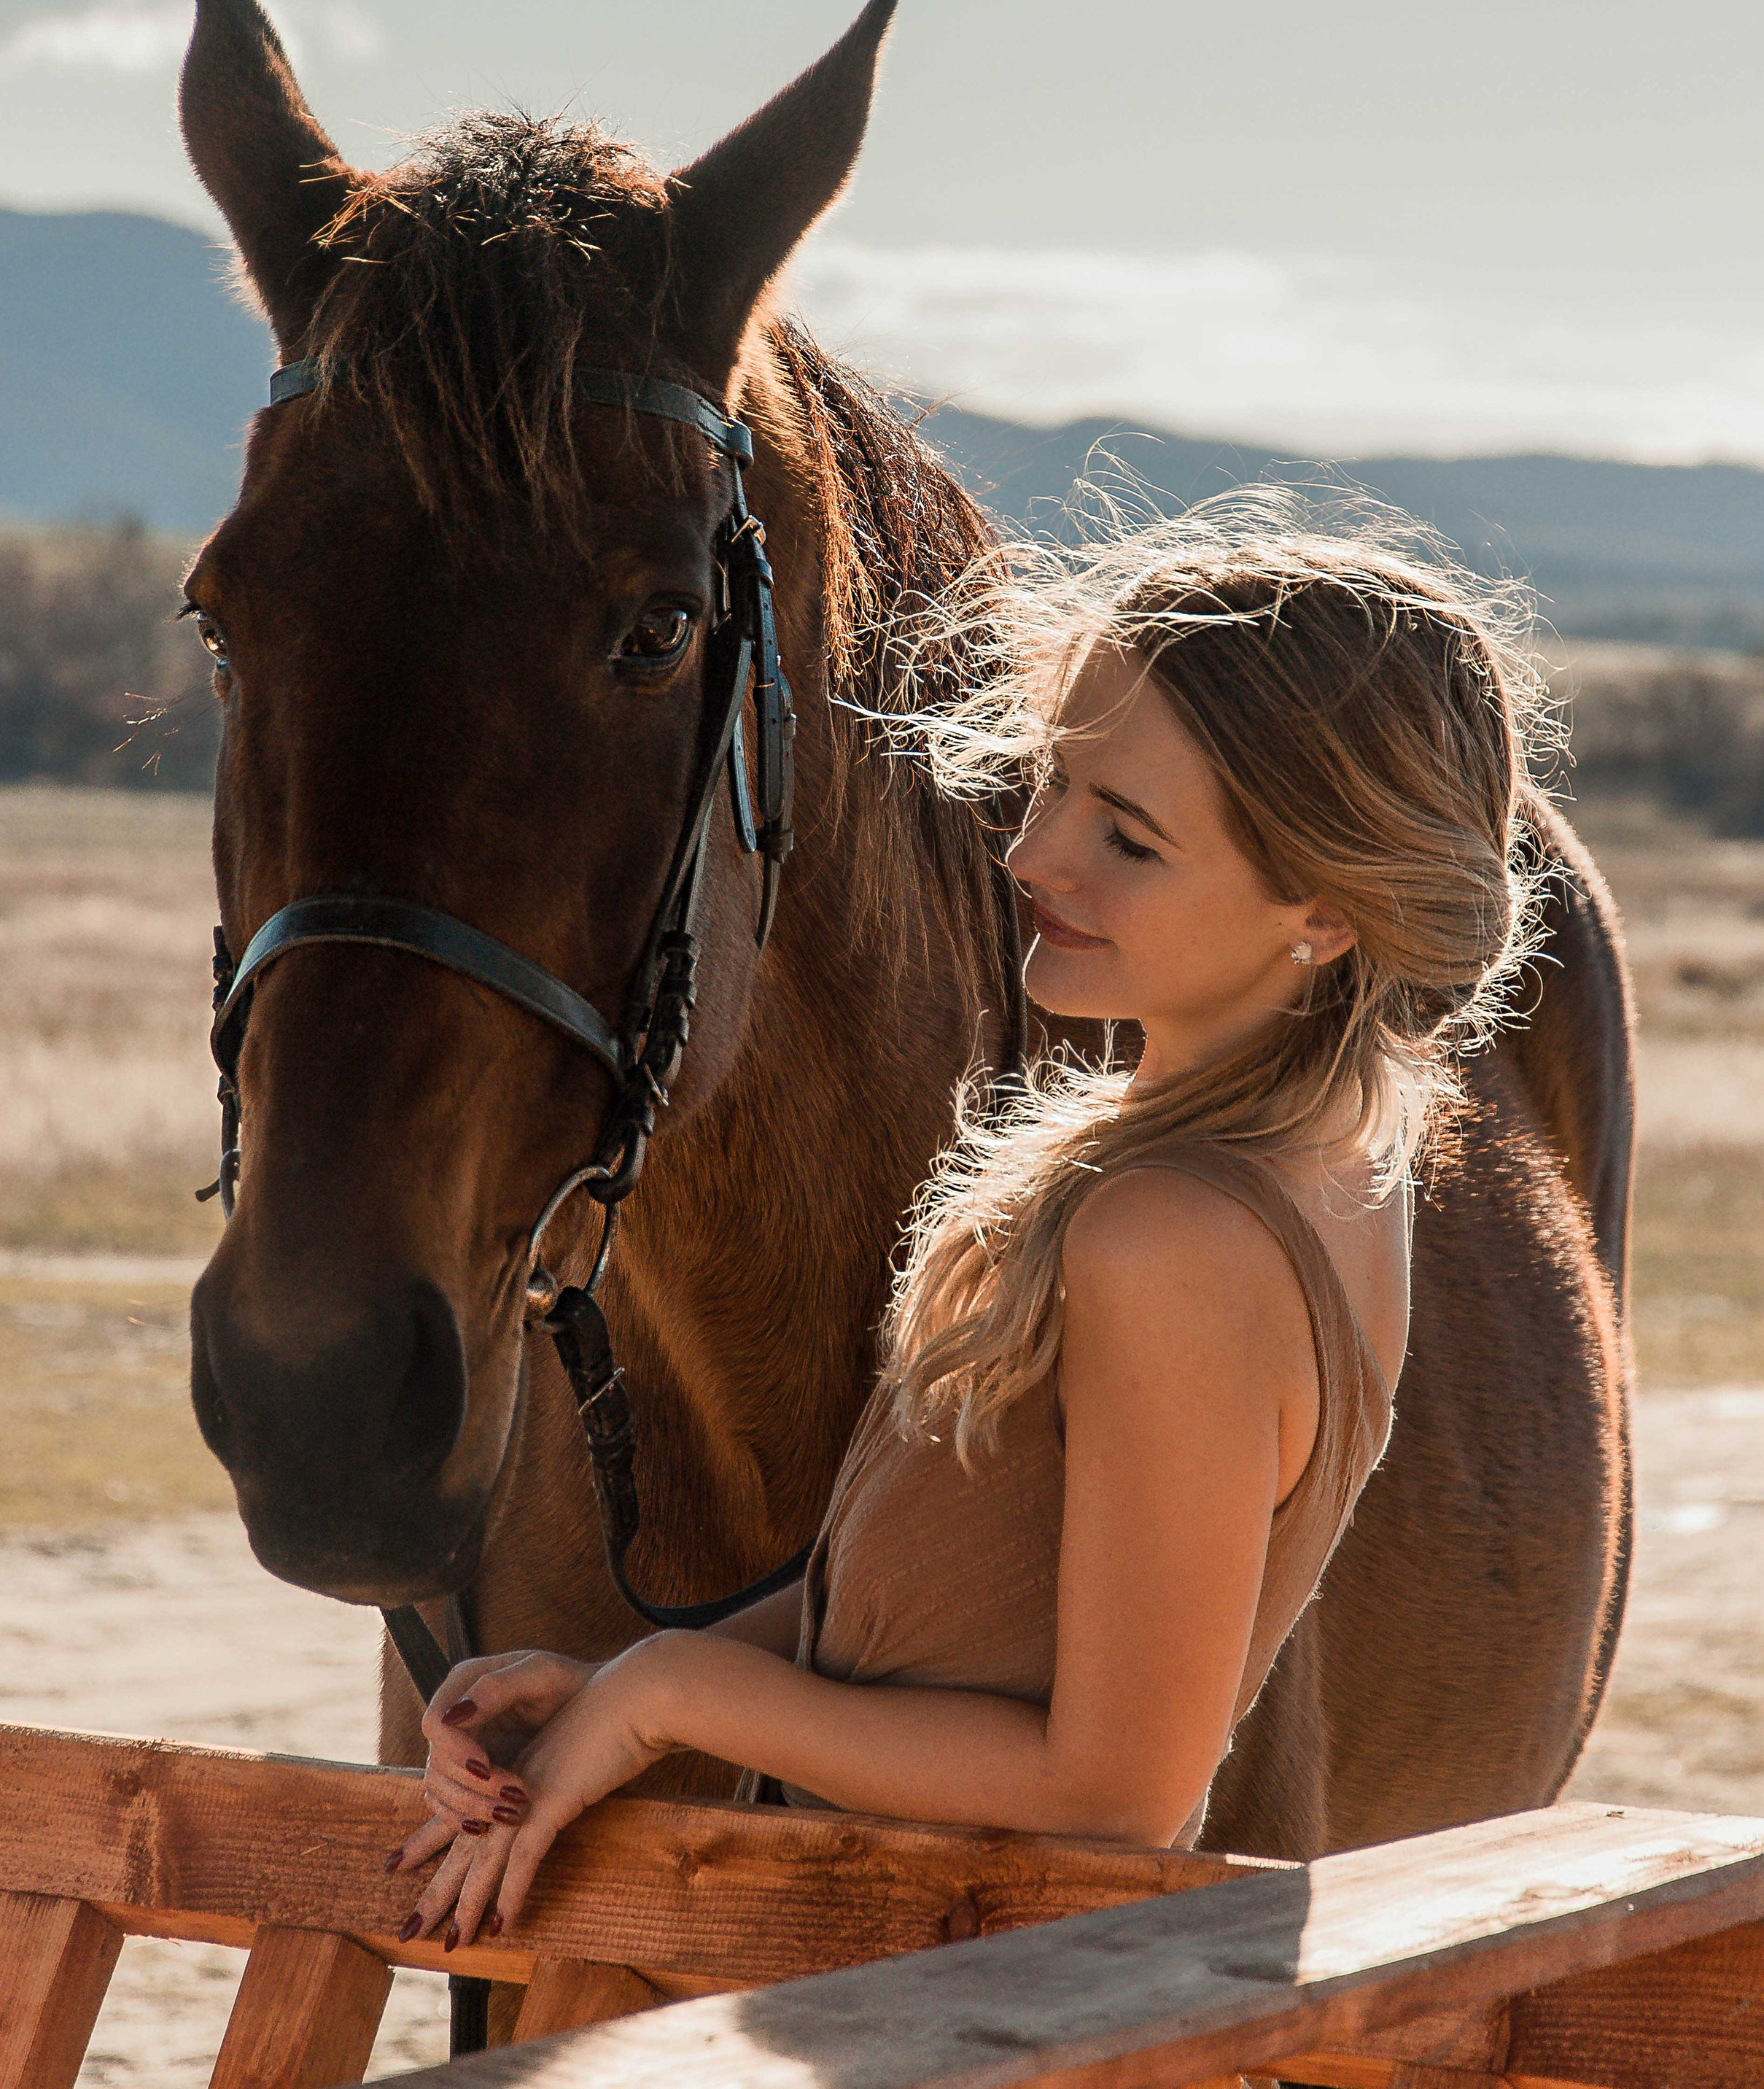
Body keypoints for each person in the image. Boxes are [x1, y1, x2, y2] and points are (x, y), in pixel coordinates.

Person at [383, 497, 1547, 1947]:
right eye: (1054, 786)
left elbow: (1117, 1791)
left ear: (1323, 910)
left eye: (1124, 836)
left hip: (970, 1988)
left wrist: (676, 1696)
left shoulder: (1172, 1240)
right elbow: (939, 1608)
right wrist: (623, 1672)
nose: (1031, 856)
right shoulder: (1295, 1160)